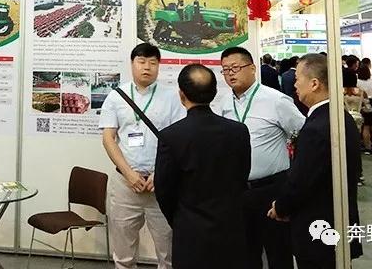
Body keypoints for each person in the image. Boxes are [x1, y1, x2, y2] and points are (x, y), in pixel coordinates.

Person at [268, 53, 363, 269]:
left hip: (319, 227)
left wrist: (281, 207)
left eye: (297, 79)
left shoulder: (317, 126)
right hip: (336, 222)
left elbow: (302, 180)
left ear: (314, 84)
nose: (294, 85)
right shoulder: (339, 117)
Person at [154, 64, 251, 269]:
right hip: (231, 226)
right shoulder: (238, 131)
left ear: (181, 94)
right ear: (214, 92)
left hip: (190, 231)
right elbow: (242, 175)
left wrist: (179, 219)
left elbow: (164, 190)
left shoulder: (171, 136)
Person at [99, 43, 186, 269]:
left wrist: (160, 174)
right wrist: (129, 174)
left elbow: (179, 139)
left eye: (153, 63)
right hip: (125, 184)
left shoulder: (172, 97)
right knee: (123, 252)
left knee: (168, 251)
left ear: (159, 66)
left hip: (162, 185)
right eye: (141, 61)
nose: (147, 67)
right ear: (132, 64)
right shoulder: (116, 97)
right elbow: (108, 138)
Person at [219, 47, 305, 269]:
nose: (230, 73)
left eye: (235, 67)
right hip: (237, 191)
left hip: (272, 190)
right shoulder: (222, 103)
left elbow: (303, 135)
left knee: (279, 252)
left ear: (252, 68)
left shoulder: (276, 100)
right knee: (245, 253)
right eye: (225, 69)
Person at [342, 70, 366, 186]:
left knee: (344, 149)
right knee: (356, 149)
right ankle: (358, 175)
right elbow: (368, 108)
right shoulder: (361, 92)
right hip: (357, 123)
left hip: (343, 121)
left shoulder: (338, 92)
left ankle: (345, 174)